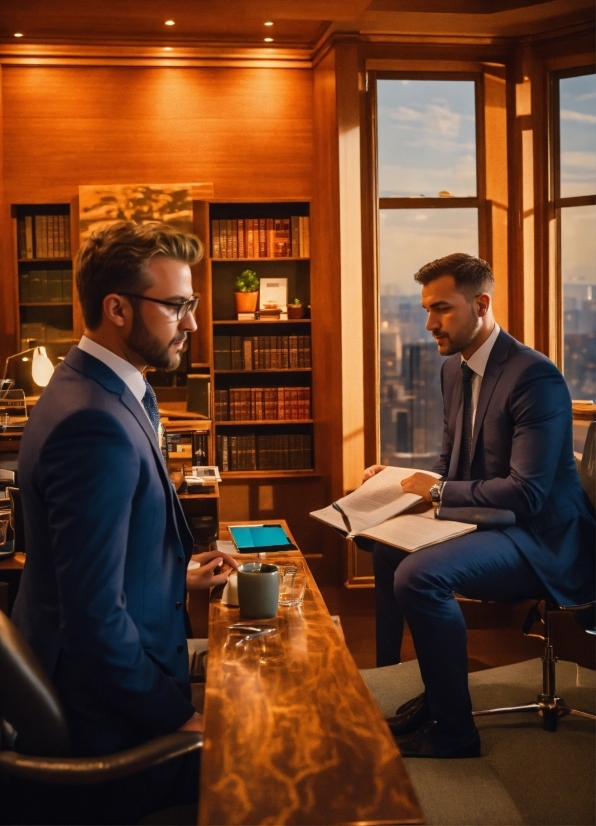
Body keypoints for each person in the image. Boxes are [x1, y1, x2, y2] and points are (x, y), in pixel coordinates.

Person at [11, 221, 237, 822]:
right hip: (108, 725)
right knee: (281, 760)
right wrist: (180, 718)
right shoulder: (95, 423)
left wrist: (173, 576)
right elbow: (93, 621)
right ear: (116, 308)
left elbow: (77, 564)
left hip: (112, 682)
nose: (191, 322)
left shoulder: (99, 387)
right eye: (177, 305)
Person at [361, 253, 595, 759]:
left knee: (418, 576)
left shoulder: (535, 376)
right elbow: (453, 466)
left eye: (441, 309)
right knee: (385, 550)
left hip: (540, 539)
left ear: (481, 304)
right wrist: (399, 481)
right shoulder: (454, 371)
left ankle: (455, 734)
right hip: (488, 520)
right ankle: (412, 690)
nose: (429, 324)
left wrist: (438, 491)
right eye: (426, 310)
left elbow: (526, 493)